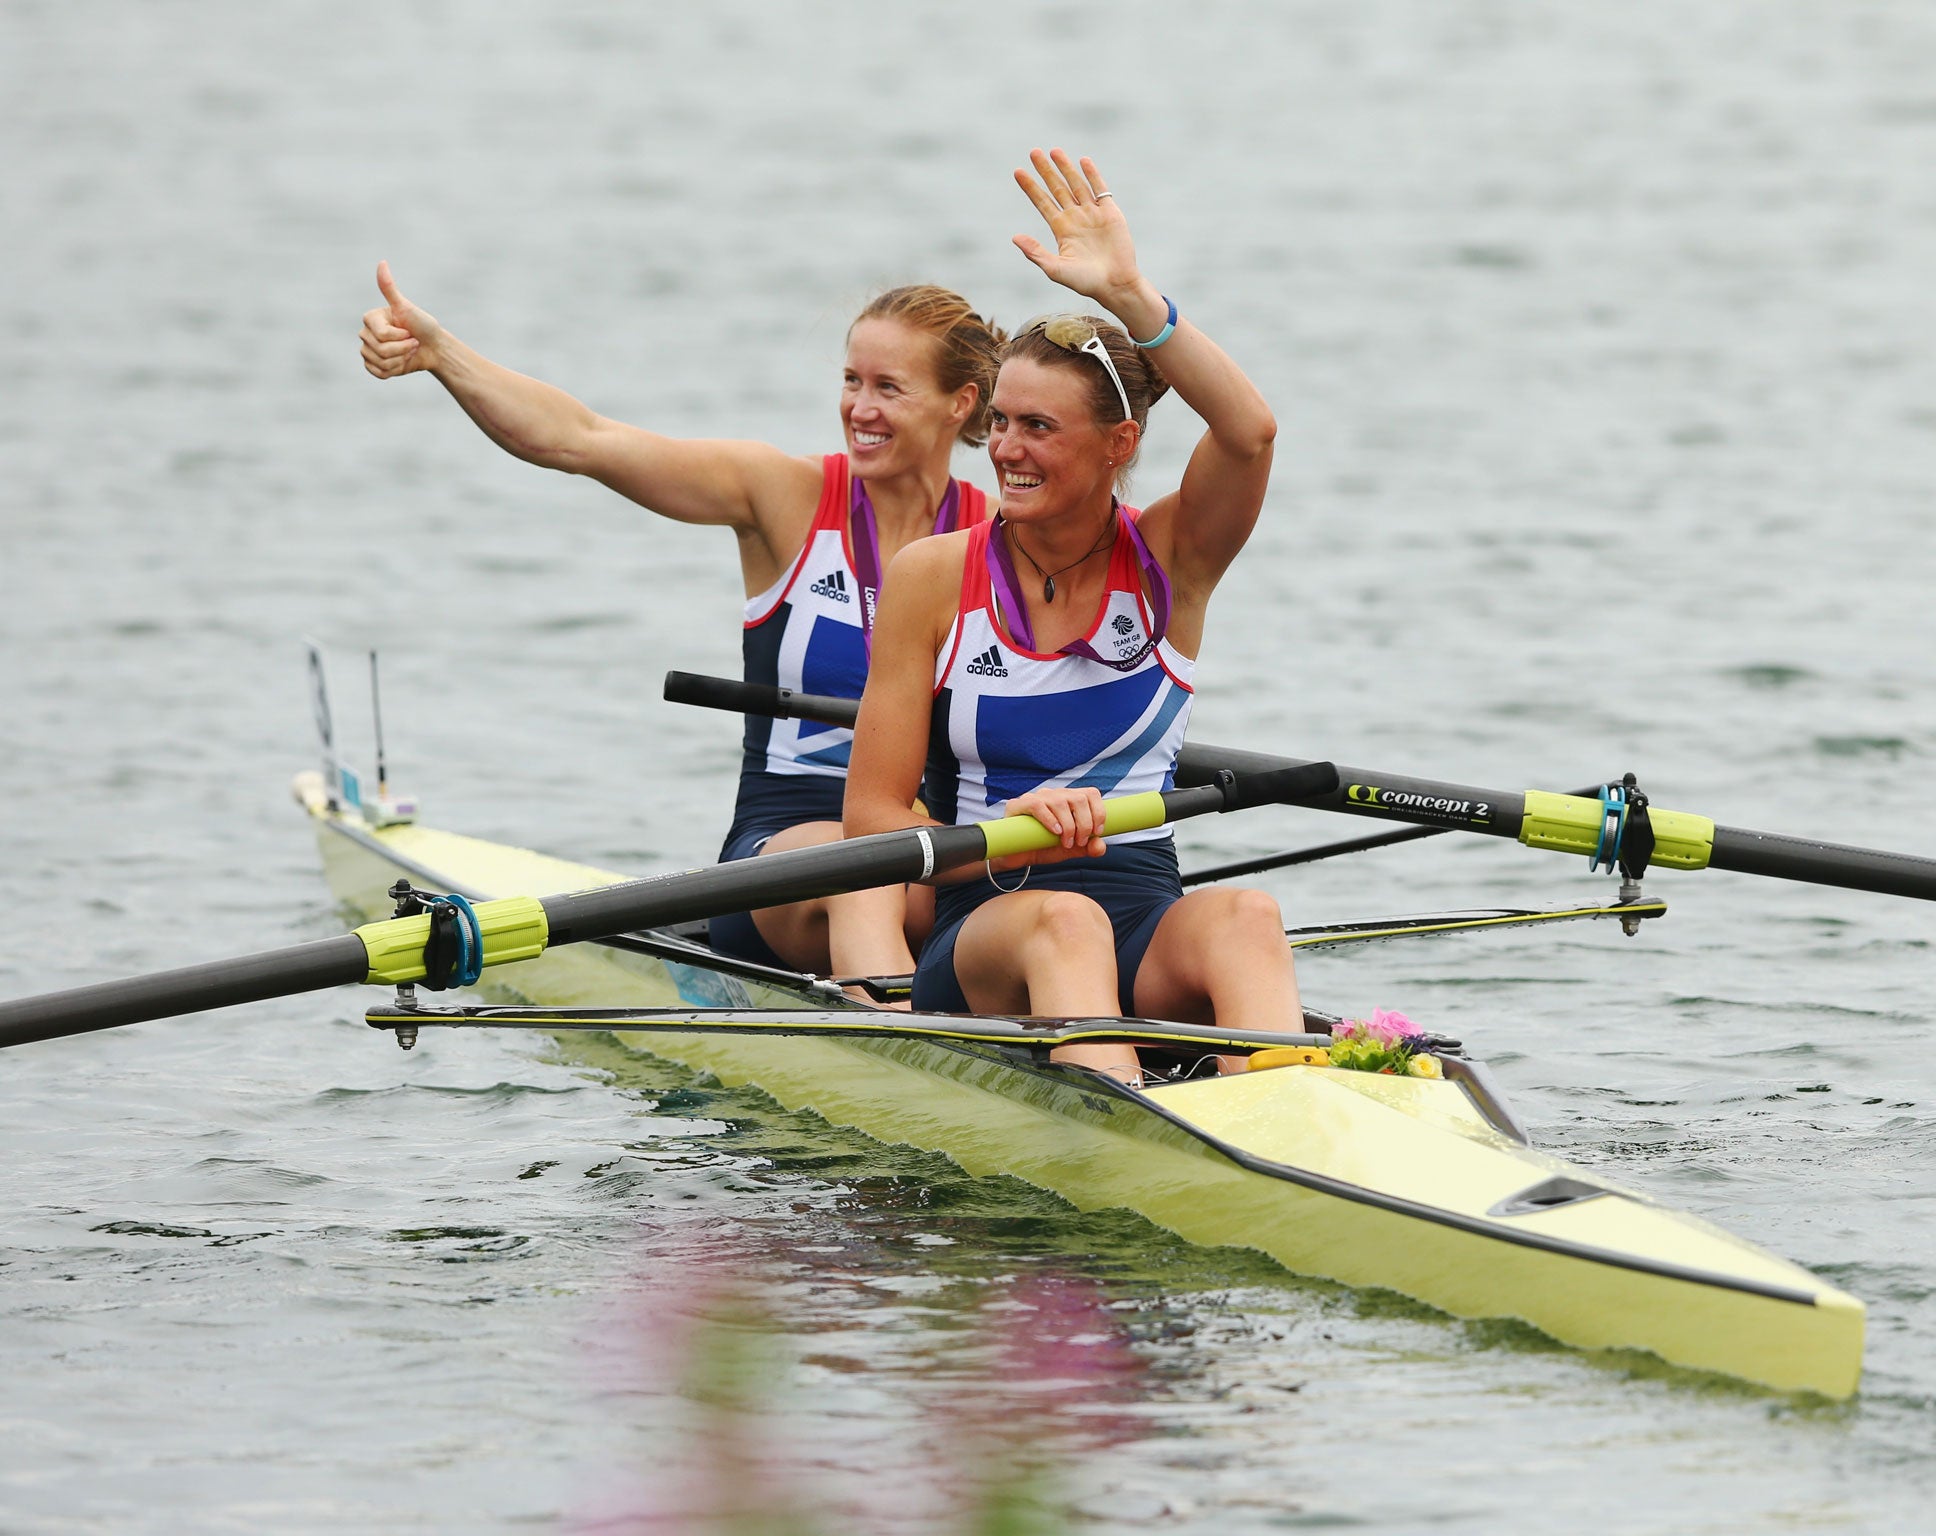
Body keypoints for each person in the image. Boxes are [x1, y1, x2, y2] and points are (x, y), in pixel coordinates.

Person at [358, 267, 1005, 993]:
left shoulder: (999, 536)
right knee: (863, 872)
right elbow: (579, 440)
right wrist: (444, 354)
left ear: (962, 403)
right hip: (785, 851)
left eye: (889, 387)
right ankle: (897, 1036)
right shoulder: (782, 495)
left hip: (932, 844)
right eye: (852, 380)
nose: (860, 407)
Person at [844, 149, 1293, 1085]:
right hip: (991, 918)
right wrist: (1011, 820)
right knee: (1066, 921)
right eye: (1001, 420)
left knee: (1246, 915)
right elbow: (871, 819)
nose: (1004, 447)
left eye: (1038, 427)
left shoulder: (1173, 558)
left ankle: (1291, 1122)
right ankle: (1130, 1125)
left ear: (1119, 442)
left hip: (1141, 909)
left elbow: (1248, 432)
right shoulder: (936, 576)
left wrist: (1134, 296)